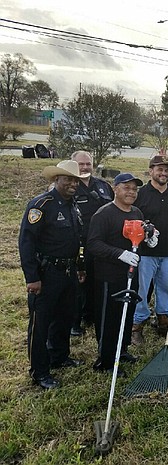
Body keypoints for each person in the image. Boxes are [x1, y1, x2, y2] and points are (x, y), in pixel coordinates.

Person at [19, 160, 89, 389]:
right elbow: (26, 243)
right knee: (41, 324)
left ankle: (59, 357)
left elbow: (77, 240)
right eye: (68, 179)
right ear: (56, 179)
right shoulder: (41, 205)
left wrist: (79, 267)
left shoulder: (72, 205)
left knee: (64, 317)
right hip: (46, 273)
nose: (73, 184)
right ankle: (39, 371)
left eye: (76, 180)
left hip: (68, 271)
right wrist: (32, 277)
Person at [87, 174, 156, 376]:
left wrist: (150, 237)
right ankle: (106, 360)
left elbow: (140, 237)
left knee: (127, 313)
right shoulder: (104, 214)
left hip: (131, 274)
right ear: (115, 189)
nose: (131, 192)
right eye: (126, 188)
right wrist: (119, 254)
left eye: (134, 189)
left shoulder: (136, 212)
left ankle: (122, 349)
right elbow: (93, 244)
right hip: (109, 275)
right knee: (109, 317)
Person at [132, 155, 168, 345]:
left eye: (166, 170)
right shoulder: (141, 194)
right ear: (151, 171)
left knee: (166, 288)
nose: (163, 173)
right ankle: (137, 326)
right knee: (141, 290)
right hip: (145, 254)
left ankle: (163, 321)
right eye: (160, 170)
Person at [70, 150, 114, 336]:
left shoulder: (103, 186)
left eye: (88, 163)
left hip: (101, 244)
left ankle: (92, 315)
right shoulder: (69, 186)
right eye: (81, 164)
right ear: (73, 165)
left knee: (97, 280)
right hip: (79, 243)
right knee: (78, 282)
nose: (85, 167)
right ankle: (75, 321)